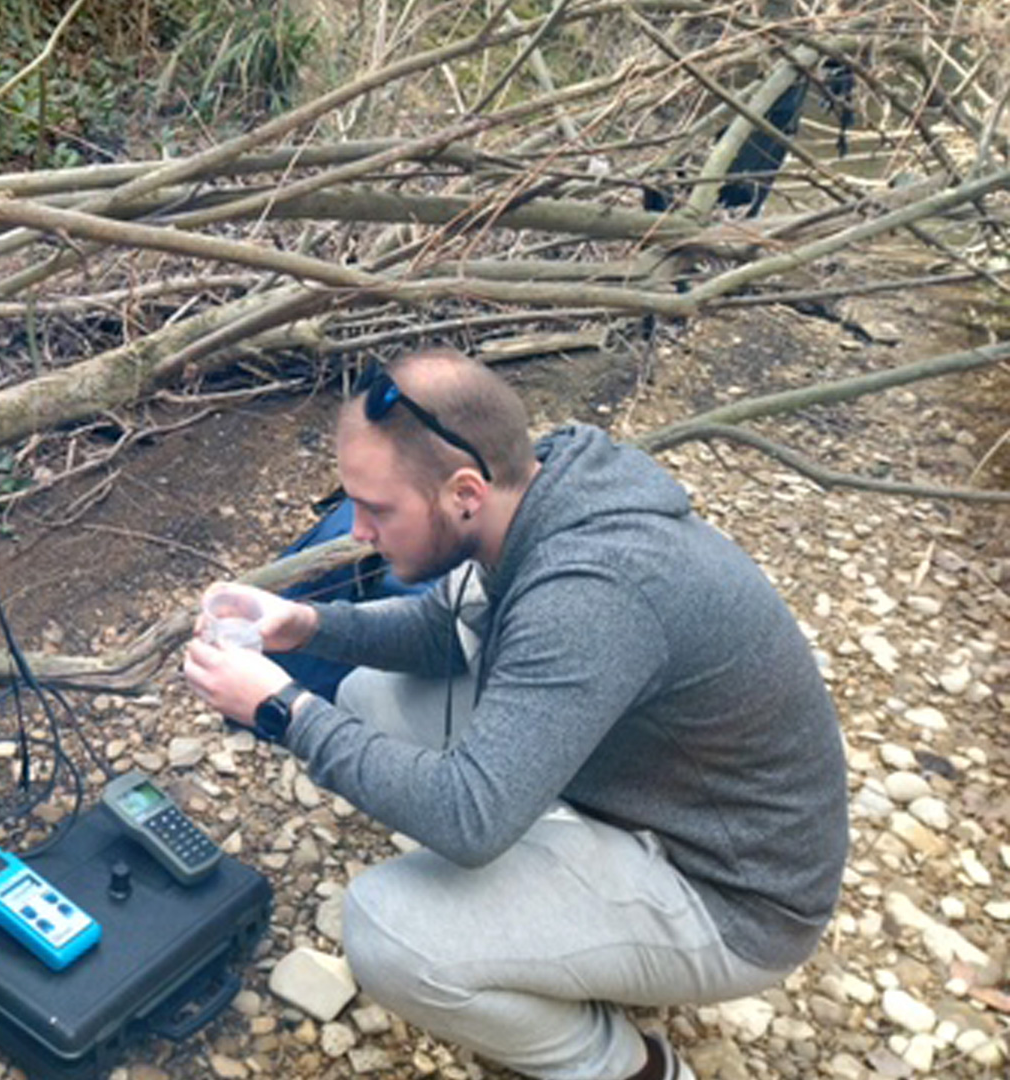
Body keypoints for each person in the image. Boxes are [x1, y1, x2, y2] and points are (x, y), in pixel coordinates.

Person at [183, 349, 846, 1080]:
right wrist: (304, 624)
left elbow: (469, 820)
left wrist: (283, 709)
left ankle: (631, 1066)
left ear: (464, 490)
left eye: (377, 509)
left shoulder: (591, 592)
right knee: (372, 699)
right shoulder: (534, 488)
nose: (360, 532)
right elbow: (443, 630)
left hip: (730, 895)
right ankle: (542, 923)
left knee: (386, 931)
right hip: (649, 795)